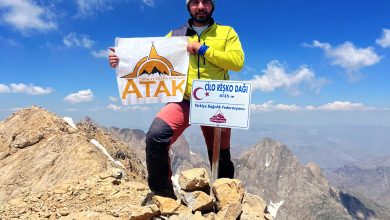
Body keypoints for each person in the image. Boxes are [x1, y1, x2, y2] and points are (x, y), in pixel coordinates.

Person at [109, 0, 244, 200]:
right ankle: (163, 194)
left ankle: (226, 200)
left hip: (216, 100)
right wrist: (122, 60)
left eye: (205, 2)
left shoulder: (227, 32)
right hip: (184, 99)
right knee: (156, 136)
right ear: (188, 6)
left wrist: (203, 49)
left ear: (212, 6)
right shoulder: (175, 36)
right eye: (195, 2)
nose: (200, 6)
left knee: (221, 155)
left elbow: (237, 62)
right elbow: (149, 55)